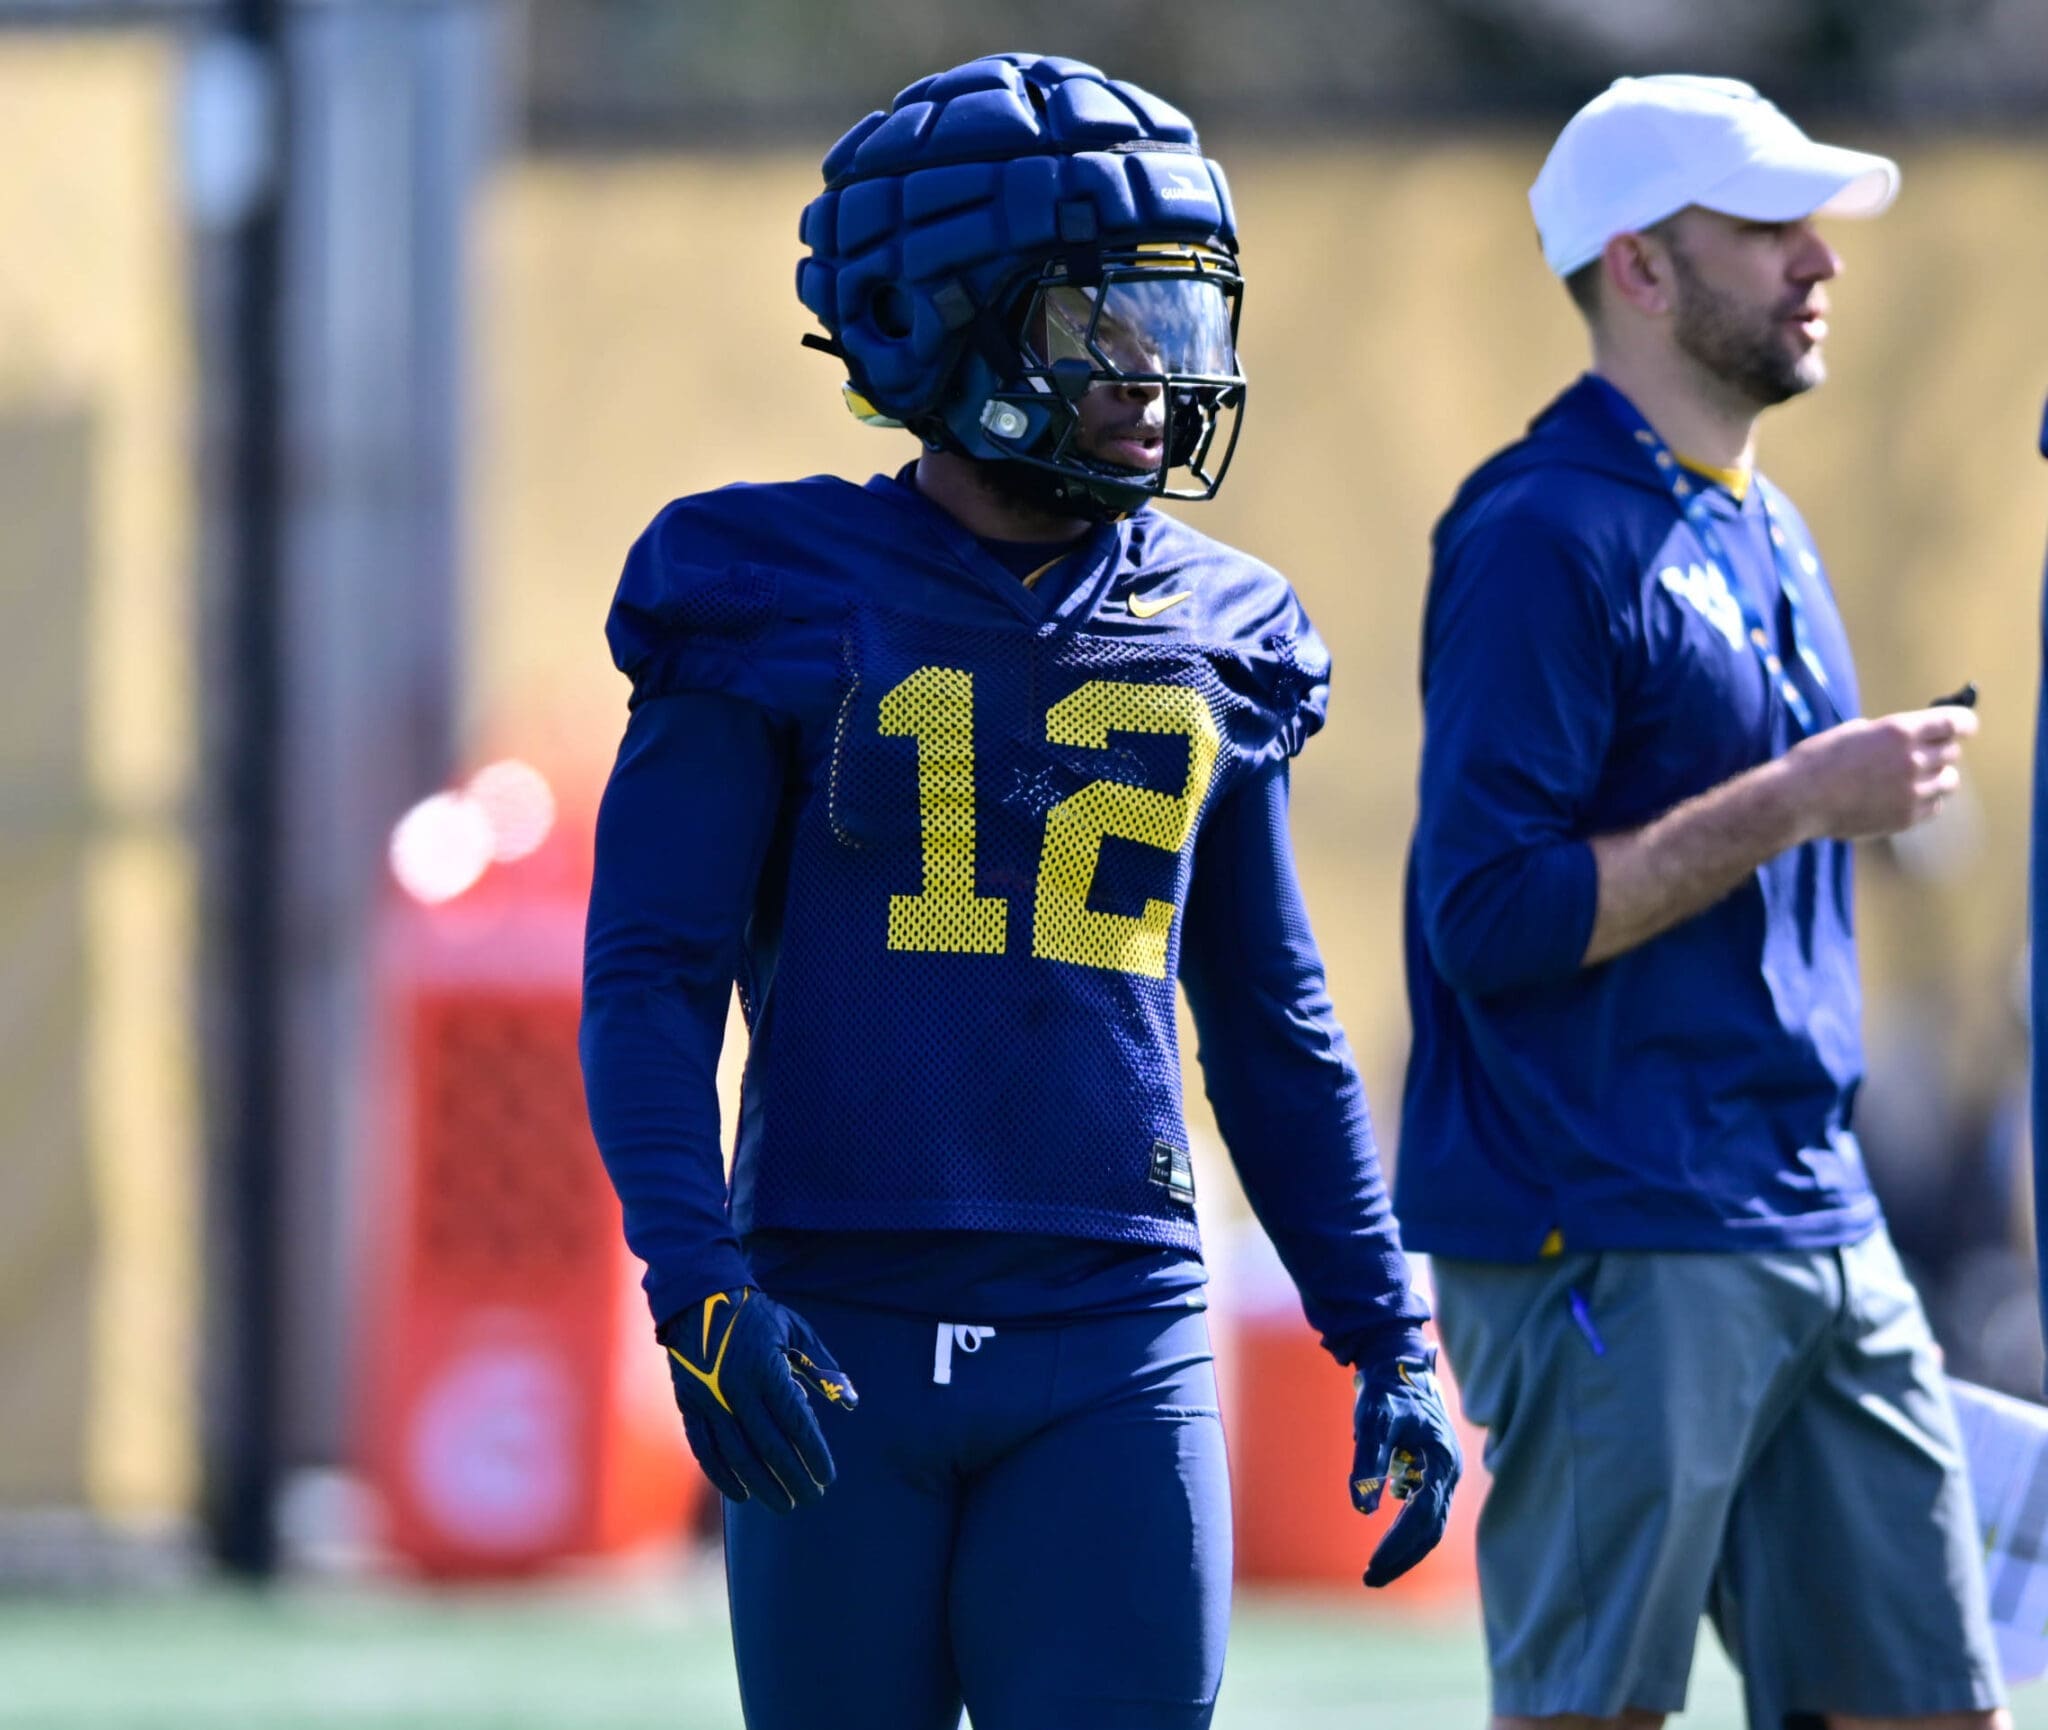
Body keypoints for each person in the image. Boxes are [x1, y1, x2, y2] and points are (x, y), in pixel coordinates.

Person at [579, 53, 1459, 1730]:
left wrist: (1381, 1327)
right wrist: (694, 1283)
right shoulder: (763, 590)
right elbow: (651, 978)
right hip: (833, 1322)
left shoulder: (1218, 622)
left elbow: (1270, 1023)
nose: (1157, 378)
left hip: (1109, 1340)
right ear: (942, 320)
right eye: (1104, 323)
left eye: (1181, 322)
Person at [1394, 74, 2006, 1730]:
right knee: (1600, 1714)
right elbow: (1490, 916)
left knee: (1932, 1702)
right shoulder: (1538, 531)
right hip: (1606, 1217)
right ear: (1642, 268)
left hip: (1808, 1204)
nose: (1820, 260)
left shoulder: (1771, 525)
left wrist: (1861, 811)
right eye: (1768, 228)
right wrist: (1805, 797)